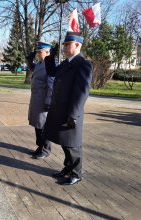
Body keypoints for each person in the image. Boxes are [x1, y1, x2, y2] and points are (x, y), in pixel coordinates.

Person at [43, 32, 93, 185]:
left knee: (73, 144)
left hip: (71, 112)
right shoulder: (66, 63)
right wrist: (50, 56)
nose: (64, 47)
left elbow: (82, 92)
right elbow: (52, 72)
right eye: (63, 45)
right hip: (59, 109)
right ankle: (67, 168)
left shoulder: (83, 63)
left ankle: (76, 173)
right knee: (65, 142)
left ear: (77, 45)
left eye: (67, 44)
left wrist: (74, 114)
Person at [28, 42, 54, 159]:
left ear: (47, 52)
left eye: (40, 52)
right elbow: (34, 68)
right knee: (37, 125)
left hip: (43, 100)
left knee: (44, 126)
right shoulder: (40, 63)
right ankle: (40, 146)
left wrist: (48, 101)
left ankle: (45, 149)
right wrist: (29, 61)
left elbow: (51, 85)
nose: (38, 54)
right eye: (37, 52)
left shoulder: (50, 65)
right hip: (36, 99)